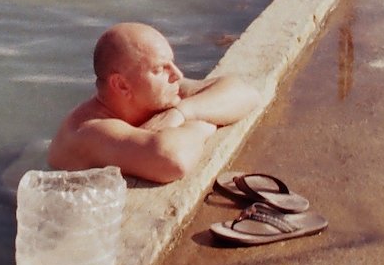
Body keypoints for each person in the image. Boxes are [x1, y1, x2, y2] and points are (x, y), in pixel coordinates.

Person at [47, 22, 259, 184]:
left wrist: (183, 113)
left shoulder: (154, 92)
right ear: (121, 85)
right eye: (159, 69)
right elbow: (172, 161)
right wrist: (206, 122)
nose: (177, 74)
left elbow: (246, 93)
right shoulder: (89, 130)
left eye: (172, 64)